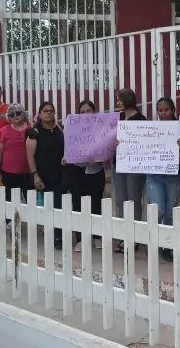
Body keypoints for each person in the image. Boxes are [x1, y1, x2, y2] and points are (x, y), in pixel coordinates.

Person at [145, 97, 180, 262]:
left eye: (166, 110)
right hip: (154, 175)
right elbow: (139, 146)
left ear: (173, 110)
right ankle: (153, 241)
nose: (163, 113)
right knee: (158, 209)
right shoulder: (150, 129)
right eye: (160, 110)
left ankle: (167, 245)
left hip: (174, 174)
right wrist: (122, 144)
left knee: (170, 210)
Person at [64, 100, 107, 252]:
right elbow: (66, 145)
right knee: (77, 204)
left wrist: (103, 156)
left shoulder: (102, 127)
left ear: (94, 112)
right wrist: (65, 157)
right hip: (76, 170)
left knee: (96, 203)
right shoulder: (71, 128)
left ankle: (96, 237)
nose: (87, 114)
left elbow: (107, 147)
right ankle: (80, 238)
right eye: (83, 111)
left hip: (96, 171)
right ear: (79, 114)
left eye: (89, 111)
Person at [26, 101, 65, 249]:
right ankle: (57, 236)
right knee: (52, 205)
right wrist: (35, 175)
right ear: (40, 114)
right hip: (45, 175)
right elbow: (30, 157)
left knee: (61, 205)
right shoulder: (34, 133)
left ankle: (58, 233)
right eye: (45, 111)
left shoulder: (59, 129)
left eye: (51, 111)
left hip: (61, 173)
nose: (49, 113)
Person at [113, 89, 147, 253]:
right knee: (121, 200)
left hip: (134, 165)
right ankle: (123, 235)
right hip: (118, 164)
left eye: (119, 100)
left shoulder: (140, 119)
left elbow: (143, 142)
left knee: (133, 199)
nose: (117, 102)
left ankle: (134, 238)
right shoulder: (117, 118)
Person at [0, 103, 32, 228]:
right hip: (8, 171)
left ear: (23, 114)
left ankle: (32, 220)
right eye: (11, 114)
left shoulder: (32, 128)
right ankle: (11, 222)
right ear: (8, 117)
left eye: (18, 113)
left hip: (28, 171)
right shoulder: (3, 131)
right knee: (10, 197)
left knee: (30, 197)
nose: (15, 116)